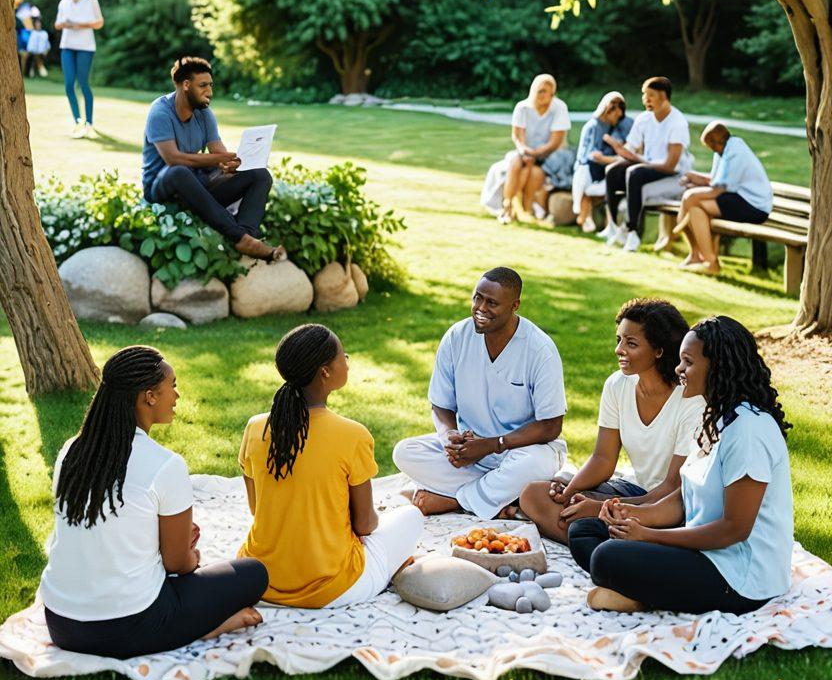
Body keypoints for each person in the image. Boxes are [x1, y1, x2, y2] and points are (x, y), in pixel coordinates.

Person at [39, 346, 268, 659]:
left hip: (61, 623)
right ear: (149, 396)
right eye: (172, 386)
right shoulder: (166, 465)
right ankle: (208, 628)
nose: (176, 395)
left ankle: (190, 625)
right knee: (254, 573)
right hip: (129, 626)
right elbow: (178, 564)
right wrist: (191, 552)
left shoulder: (72, 450)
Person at [568, 316, 794, 615]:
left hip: (741, 576)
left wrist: (649, 536)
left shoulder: (749, 431)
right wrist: (631, 515)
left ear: (717, 366)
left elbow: (734, 529)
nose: (678, 369)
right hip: (702, 550)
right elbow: (684, 497)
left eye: (687, 362)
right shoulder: (715, 418)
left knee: (607, 557)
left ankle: (639, 595)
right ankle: (642, 591)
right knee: (585, 530)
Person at [238, 324, 424, 607]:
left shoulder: (255, 428)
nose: (346, 360)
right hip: (333, 588)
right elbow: (364, 525)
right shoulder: (353, 435)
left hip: (261, 579)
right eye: (342, 356)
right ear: (325, 371)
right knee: (410, 515)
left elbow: (256, 509)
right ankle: (390, 569)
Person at [519, 298, 703, 543]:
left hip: (669, 507)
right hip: (634, 491)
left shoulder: (690, 399)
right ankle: (609, 543)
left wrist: (599, 506)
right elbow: (603, 459)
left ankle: (606, 543)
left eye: (631, 343)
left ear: (658, 350)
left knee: (591, 515)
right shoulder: (617, 385)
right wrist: (569, 492)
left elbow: (671, 488)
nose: (619, 350)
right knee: (534, 494)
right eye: (619, 340)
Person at [393, 267, 567, 518]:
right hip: (471, 452)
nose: (480, 308)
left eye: (492, 302)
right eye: (477, 298)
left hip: (521, 450)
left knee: (533, 466)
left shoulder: (540, 350)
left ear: (514, 305)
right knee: (405, 452)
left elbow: (551, 426)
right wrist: (449, 436)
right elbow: (441, 405)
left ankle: (456, 501)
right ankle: (499, 497)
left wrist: (493, 445)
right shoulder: (456, 337)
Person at [142, 56, 284, 262]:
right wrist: (217, 159)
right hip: (162, 189)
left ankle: (246, 237)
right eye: (203, 86)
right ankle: (239, 236)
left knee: (260, 175)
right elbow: (173, 159)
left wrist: (229, 163)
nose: (209, 92)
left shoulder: (204, 113)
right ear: (186, 85)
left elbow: (218, 152)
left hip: (197, 189)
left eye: (210, 85)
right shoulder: (160, 112)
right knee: (179, 171)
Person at [602, 76, 692, 252]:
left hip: (673, 172)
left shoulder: (677, 122)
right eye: (644, 95)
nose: (646, 100)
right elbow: (631, 147)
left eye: (651, 95)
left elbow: (670, 165)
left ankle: (632, 234)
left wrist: (640, 162)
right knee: (612, 171)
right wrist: (621, 150)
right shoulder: (643, 119)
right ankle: (612, 226)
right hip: (647, 166)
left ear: (664, 96)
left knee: (635, 173)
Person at [673, 122, 773, 275]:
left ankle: (709, 262)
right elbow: (715, 181)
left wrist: (692, 195)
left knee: (692, 200)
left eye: (711, 146)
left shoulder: (736, 152)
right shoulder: (725, 150)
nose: (712, 150)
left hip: (754, 207)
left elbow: (718, 190)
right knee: (695, 208)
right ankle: (702, 258)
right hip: (738, 198)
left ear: (717, 141)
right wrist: (694, 178)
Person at [481, 74, 572, 225]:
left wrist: (536, 154)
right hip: (525, 153)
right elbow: (517, 137)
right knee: (516, 163)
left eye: (546, 92)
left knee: (533, 171)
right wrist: (525, 151)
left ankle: (525, 207)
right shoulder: (522, 107)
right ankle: (507, 205)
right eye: (539, 91)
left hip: (550, 156)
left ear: (552, 94)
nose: (542, 95)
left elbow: (555, 142)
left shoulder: (559, 108)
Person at [571, 91, 633, 232]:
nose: (618, 117)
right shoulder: (592, 126)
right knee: (585, 178)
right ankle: (584, 216)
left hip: (609, 166)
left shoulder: (619, 126)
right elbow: (587, 155)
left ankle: (604, 223)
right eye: (615, 112)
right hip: (590, 167)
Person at [54, 0, 104, 137]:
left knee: (83, 83)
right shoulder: (64, 2)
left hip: (85, 47)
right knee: (69, 85)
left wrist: (81, 25)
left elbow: (99, 22)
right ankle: (78, 121)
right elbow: (57, 24)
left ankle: (89, 123)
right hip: (67, 46)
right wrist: (65, 24)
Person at [22, 11, 50, 78]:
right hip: (30, 51)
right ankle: (30, 71)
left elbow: (47, 46)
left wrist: (45, 51)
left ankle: (35, 70)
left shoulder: (44, 33)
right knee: (27, 56)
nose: (38, 25)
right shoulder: (31, 32)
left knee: (36, 56)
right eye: (37, 23)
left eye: (39, 23)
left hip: (40, 53)